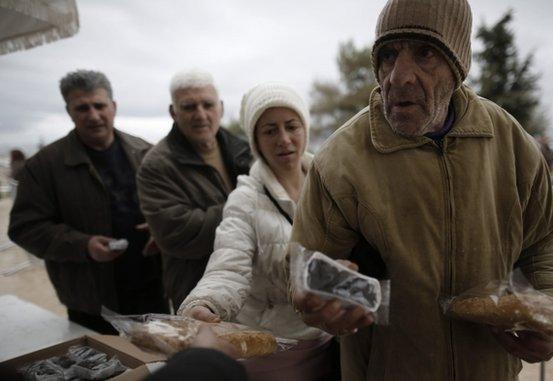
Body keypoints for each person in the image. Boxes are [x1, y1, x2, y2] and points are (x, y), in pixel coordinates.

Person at [290, 0, 553, 379]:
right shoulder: (341, 161)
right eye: (388, 55)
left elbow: (540, 245)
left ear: (458, 66)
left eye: (425, 53)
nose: (399, 76)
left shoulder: (510, 141)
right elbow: (305, 268)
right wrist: (318, 299)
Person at [178, 83, 336, 381]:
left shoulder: (330, 183)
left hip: (330, 337)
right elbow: (229, 264)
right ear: (255, 141)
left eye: (291, 126)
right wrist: (204, 302)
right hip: (274, 348)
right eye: (270, 131)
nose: (284, 139)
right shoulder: (246, 199)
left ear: (305, 127)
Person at [8, 70, 167, 334]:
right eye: (82, 108)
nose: (93, 115)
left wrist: (160, 227)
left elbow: (169, 206)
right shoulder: (44, 166)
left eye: (99, 105)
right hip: (92, 303)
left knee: (163, 369)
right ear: (69, 112)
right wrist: (84, 245)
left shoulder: (146, 152)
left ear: (113, 106)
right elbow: (24, 227)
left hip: (153, 291)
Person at [137, 69, 252, 310]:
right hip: (196, 294)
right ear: (173, 112)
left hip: (252, 287)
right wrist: (251, 205)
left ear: (220, 107)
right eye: (189, 107)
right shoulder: (156, 165)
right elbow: (178, 234)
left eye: (207, 104)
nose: (200, 114)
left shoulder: (245, 149)